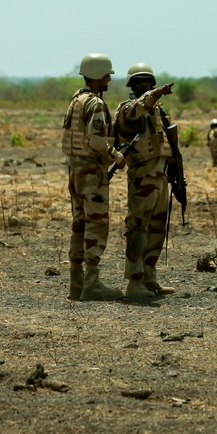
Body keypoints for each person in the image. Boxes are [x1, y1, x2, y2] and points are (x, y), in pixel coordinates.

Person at [61, 53, 126, 301]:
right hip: (91, 171)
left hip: (75, 170)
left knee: (79, 223)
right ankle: (92, 284)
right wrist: (116, 157)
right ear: (100, 76)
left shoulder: (75, 101)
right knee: (96, 223)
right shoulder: (96, 104)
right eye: (108, 74)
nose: (110, 78)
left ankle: (76, 284)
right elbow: (97, 141)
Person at [114, 63, 178, 300]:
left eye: (147, 82)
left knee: (157, 228)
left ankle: (150, 276)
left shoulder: (158, 112)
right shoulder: (128, 110)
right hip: (142, 177)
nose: (144, 85)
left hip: (160, 175)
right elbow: (138, 107)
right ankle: (134, 281)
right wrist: (156, 94)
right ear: (131, 85)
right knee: (138, 228)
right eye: (138, 82)